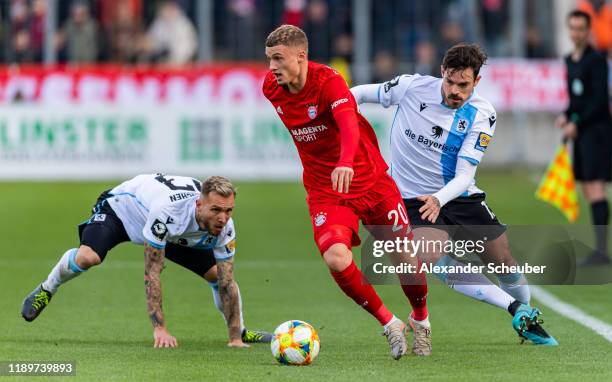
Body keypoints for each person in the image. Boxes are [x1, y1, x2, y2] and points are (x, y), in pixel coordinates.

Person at [351, 43, 557, 345]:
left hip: (458, 195)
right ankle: (514, 309)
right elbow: (355, 95)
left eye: (463, 85)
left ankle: (527, 315)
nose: (454, 91)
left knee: (504, 260)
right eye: (450, 82)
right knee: (431, 255)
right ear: (442, 73)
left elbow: (465, 175)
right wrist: (340, 120)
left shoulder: (482, 114)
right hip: (411, 200)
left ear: (477, 82)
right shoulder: (411, 87)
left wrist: (439, 199)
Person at [262, 24, 430, 360]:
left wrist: (345, 161)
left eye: (278, 59)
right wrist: (333, 168)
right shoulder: (271, 88)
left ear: (301, 56)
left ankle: (421, 321)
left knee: (406, 261)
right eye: (268, 60)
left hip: (369, 179)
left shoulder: (330, 82)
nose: (272, 68)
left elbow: (349, 124)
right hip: (327, 189)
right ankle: (390, 324)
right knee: (336, 258)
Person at [21, 174, 272, 348]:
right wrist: (159, 329)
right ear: (199, 204)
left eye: (228, 211)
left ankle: (240, 330)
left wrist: (234, 339)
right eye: (216, 210)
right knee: (88, 256)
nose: (223, 218)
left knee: (218, 276)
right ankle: (47, 289)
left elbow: (228, 281)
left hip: (175, 232)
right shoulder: (169, 212)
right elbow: (152, 272)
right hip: (122, 209)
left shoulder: (225, 227)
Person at [555, 10, 612, 266]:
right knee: (589, 189)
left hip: (597, 132)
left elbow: (599, 101)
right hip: (582, 132)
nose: (576, 33)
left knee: (596, 187)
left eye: (581, 28)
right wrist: (566, 115)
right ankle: (599, 250)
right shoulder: (569, 60)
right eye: (573, 28)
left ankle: (601, 251)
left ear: (589, 31)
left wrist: (576, 123)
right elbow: (577, 100)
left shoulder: (597, 60)